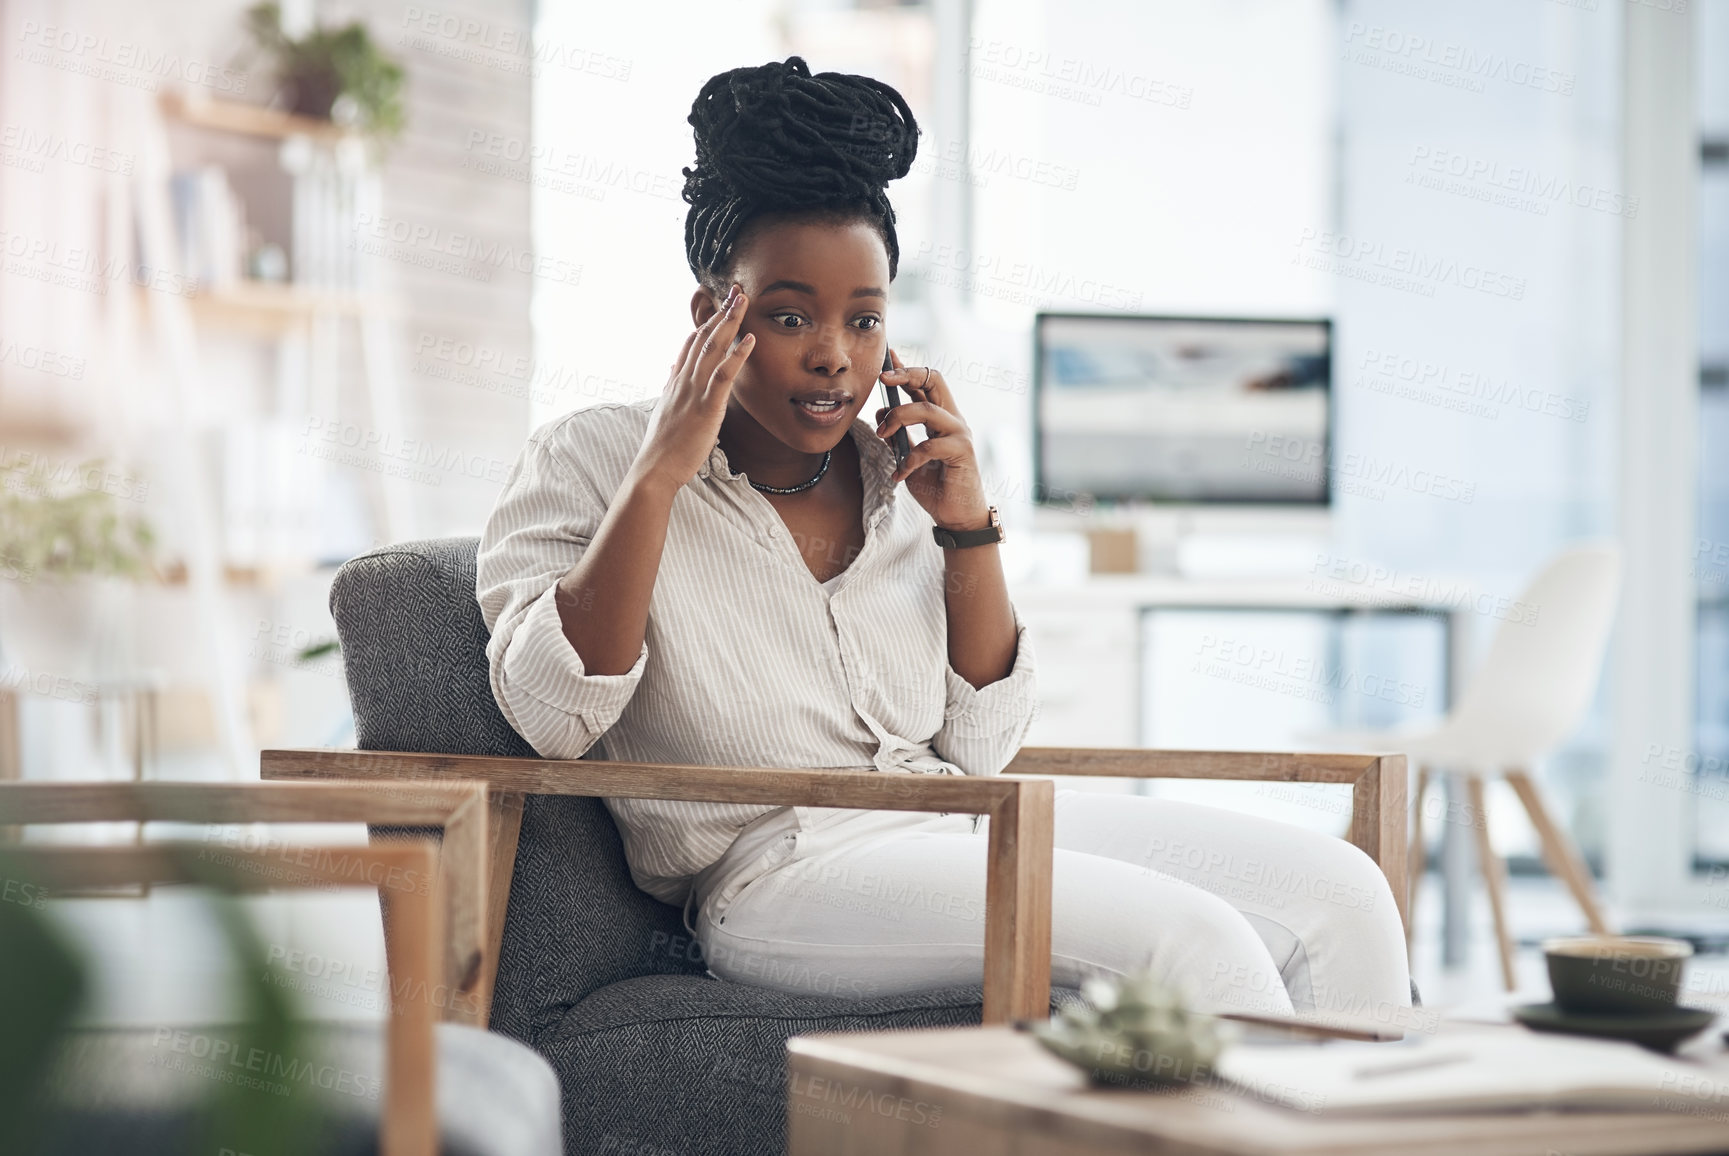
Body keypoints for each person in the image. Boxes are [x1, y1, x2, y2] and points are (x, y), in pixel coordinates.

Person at [477, 55, 1410, 1020]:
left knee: (1342, 896)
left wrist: (968, 531)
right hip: (781, 874)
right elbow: (550, 714)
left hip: (960, 821)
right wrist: (661, 476)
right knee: (1196, 944)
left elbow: (981, 746)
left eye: (865, 318)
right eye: (788, 315)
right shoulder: (591, 457)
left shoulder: (900, 470)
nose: (835, 353)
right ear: (711, 315)